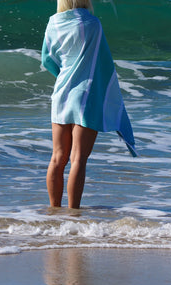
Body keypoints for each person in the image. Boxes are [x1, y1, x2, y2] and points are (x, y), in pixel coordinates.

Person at [42, 0, 137, 209]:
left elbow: (47, 59)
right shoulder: (93, 24)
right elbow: (102, 63)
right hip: (86, 96)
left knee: (57, 157)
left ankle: (53, 212)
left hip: (61, 94)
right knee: (78, 159)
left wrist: (64, 77)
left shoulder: (53, 24)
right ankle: (73, 213)